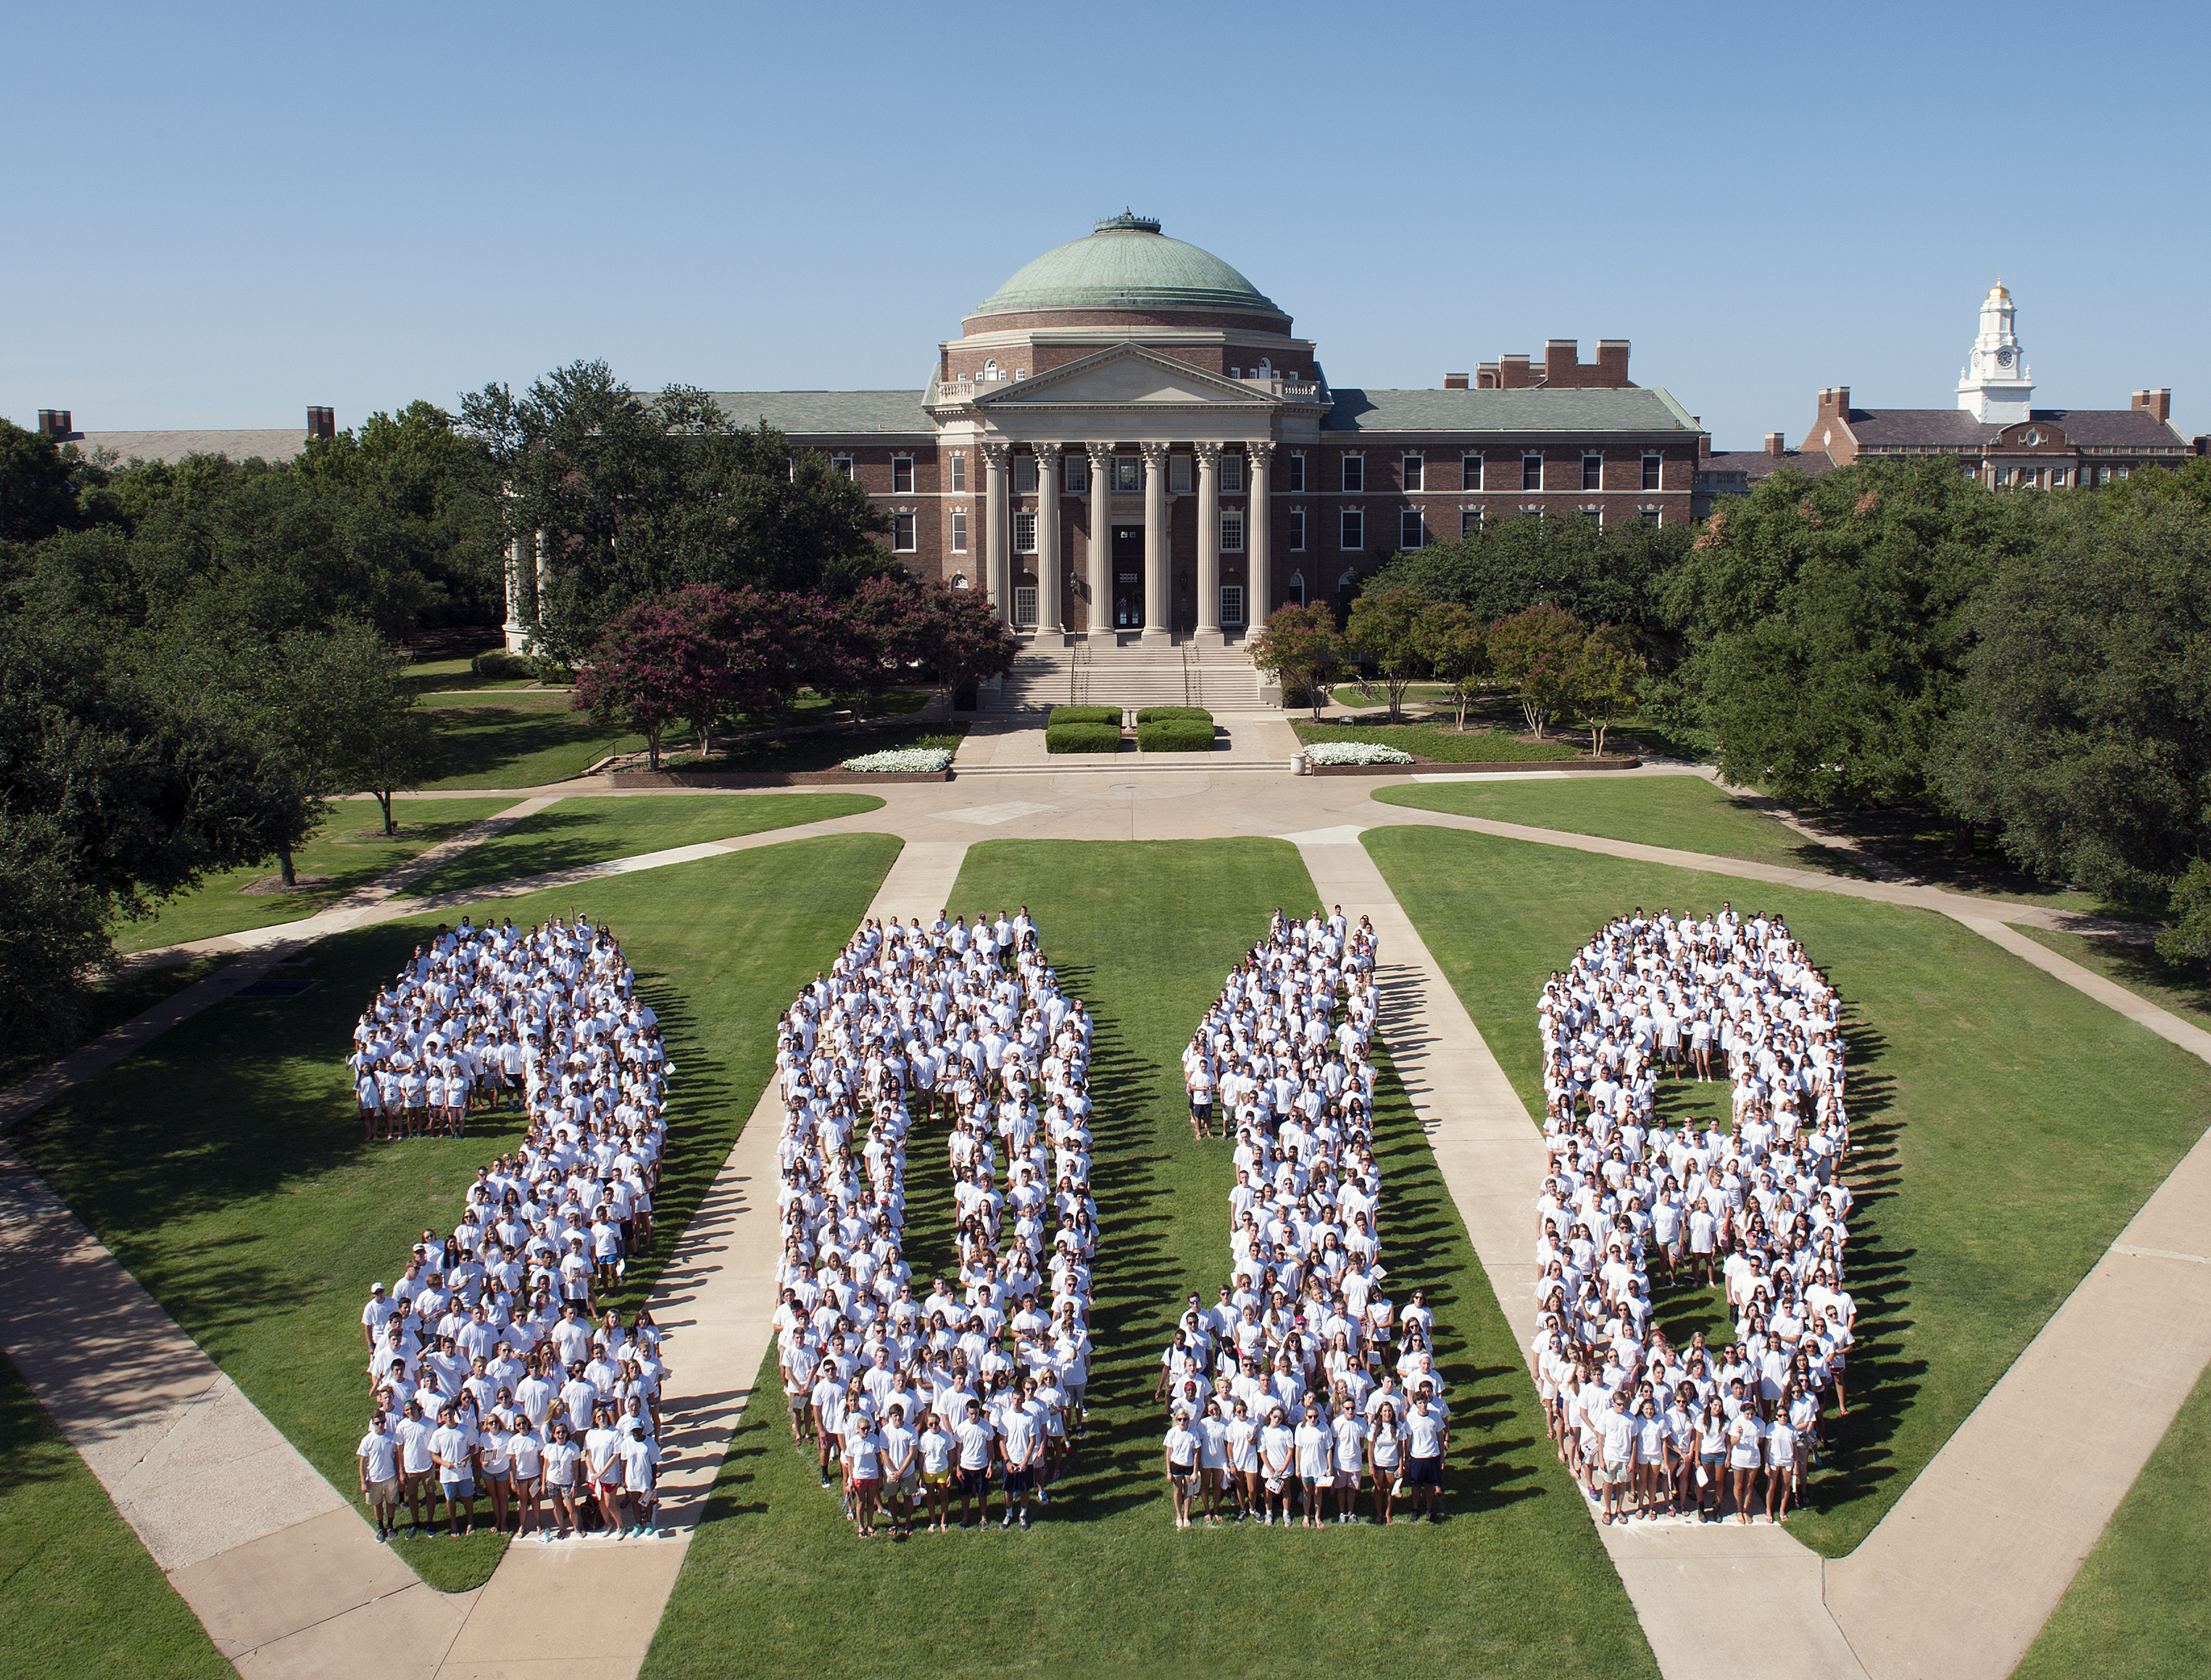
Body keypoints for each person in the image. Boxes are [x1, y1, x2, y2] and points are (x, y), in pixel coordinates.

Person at [357, 1412, 401, 1542]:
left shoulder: (392, 1437)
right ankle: (380, 1527)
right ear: (373, 1423)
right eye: (377, 1423)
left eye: (382, 1422)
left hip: (390, 1476)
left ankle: (390, 1526)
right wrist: (363, 1481)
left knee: (391, 1502)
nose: (380, 1425)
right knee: (377, 1504)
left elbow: (397, 1457)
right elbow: (363, 1462)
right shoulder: (367, 1440)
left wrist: (399, 1474)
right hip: (374, 1478)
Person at [1163, 1406, 1201, 1530]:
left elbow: (1196, 1453)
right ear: (1177, 1420)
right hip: (1176, 1465)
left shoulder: (1193, 1433)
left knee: (1188, 1491)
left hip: (1189, 1465)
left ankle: (1186, 1516)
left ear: (1188, 1420)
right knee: (1177, 1491)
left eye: (1185, 1419)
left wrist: (1195, 1471)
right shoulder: (1172, 1433)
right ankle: (1179, 1516)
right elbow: (1168, 1453)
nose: (1182, 1422)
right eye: (1180, 1419)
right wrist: (1169, 1471)